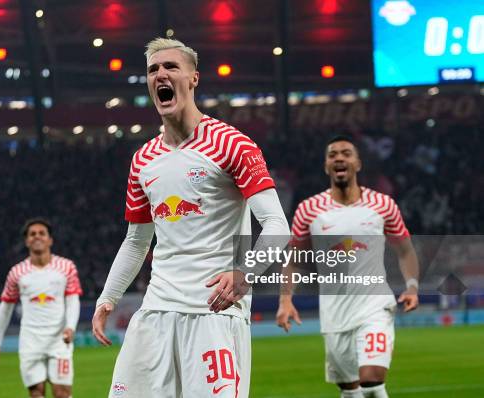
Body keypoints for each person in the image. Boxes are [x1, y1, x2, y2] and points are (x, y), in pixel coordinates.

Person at [92, 37, 290, 398]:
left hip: (214, 312)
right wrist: (108, 297)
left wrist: (245, 275)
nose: (160, 75)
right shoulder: (143, 160)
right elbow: (136, 241)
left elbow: (278, 227)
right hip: (155, 312)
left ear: (193, 78)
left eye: (171, 67)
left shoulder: (232, 144)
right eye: (153, 70)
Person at [276, 135, 420, 398]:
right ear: (326, 166)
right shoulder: (309, 210)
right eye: (332, 155)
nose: (339, 158)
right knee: (350, 390)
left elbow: (405, 249)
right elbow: (294, 260)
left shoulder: (383, 205)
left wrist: (412, 286)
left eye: (346, 153)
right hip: (335, 312)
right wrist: (286, 301)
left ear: (358, 163)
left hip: (374, 305)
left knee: (372, 381)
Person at [0, 218, 82, 398]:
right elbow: (5, 308)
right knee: (36, 393)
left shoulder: (66, 267)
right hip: (30, 341)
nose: (37, 237)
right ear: (26, 241)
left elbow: (73, 300)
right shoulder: (17, 273)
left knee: (62, 393)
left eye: (41, 233)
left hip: (59, 340)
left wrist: (71, 327)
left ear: (50, 240)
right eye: (32, 234)